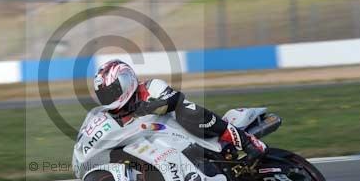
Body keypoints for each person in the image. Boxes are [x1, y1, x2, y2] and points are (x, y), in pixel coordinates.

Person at [93, 59, 267, 162]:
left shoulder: (150, 86)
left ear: (126, 80)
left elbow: (174, 99)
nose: (110, 96)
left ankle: (247, 141)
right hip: (158, 147)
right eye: (106, 94)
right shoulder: (116, 114)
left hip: (185, 131)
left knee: (186, 111)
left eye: (113, 91)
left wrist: (146, 108)